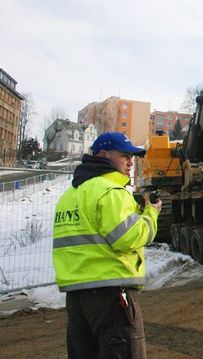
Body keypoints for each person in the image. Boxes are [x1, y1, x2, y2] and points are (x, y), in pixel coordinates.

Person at [52, 131, 162, 358]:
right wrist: (151, 214)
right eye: (124, 155)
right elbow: (128, 238)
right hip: (111, 296)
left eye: (132, 156)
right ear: (103, 155)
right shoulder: (110, 191)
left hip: (77, 299)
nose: (131, 161)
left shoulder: (70, 196)